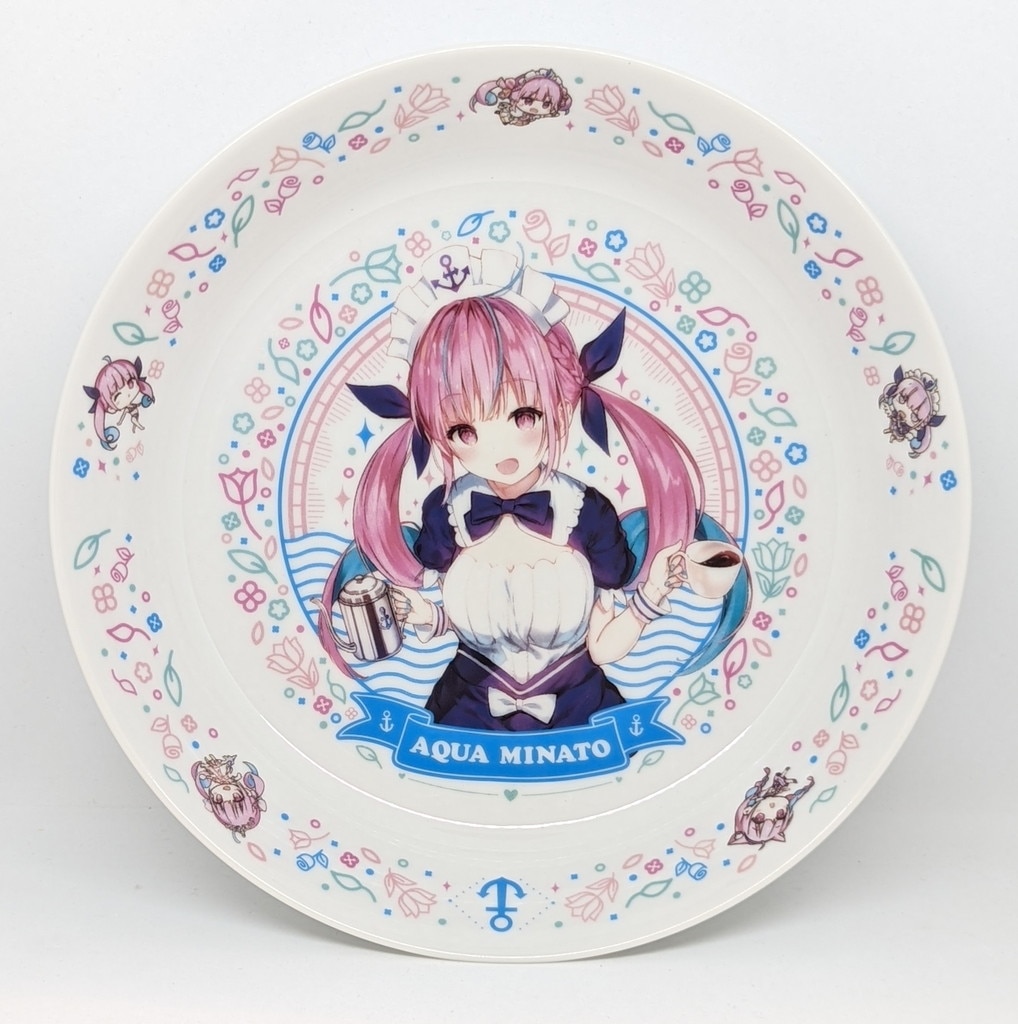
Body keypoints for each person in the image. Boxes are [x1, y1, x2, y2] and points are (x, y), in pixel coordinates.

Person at [319, 246, 739, 731]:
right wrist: (422, 616)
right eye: (464, 430)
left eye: (523, 415)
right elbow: (463, 622)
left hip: (581, 711)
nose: (499, 449)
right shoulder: (447, 513)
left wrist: (651, 597)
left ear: (558, 404)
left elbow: (603, 647)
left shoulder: (586, 512)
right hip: (465, 711)